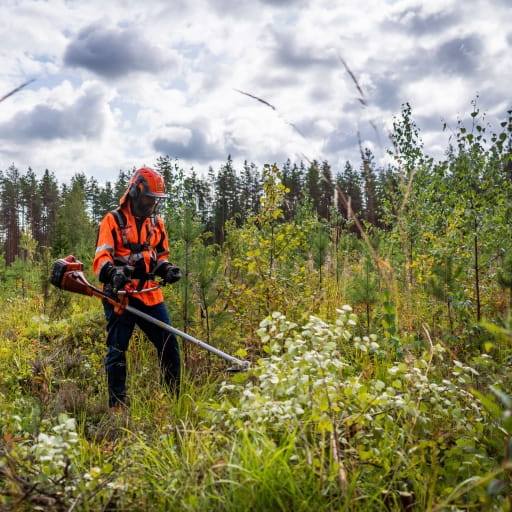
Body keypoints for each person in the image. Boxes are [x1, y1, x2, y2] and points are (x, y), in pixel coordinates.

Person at [93, 167, 182, 409]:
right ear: (135, 192)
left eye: (156, 199)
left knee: (169, 345)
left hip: (150, 295)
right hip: (120, 298)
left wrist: (166, 269)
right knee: (117, 351)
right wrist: (113, 274)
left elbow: (160, 255)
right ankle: (117, 406)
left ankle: (173, 401)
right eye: (149, 198)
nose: (152, 203)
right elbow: (101, 259)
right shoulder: (113, 220)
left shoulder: (157, 223)